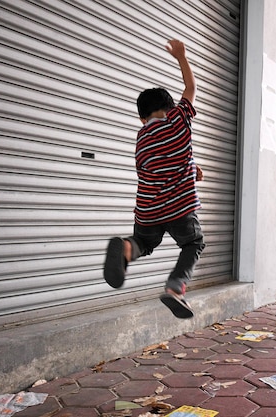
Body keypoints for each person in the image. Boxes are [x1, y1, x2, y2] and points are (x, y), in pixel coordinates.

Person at [103, 39, 205, 319]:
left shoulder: (142, 138)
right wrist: (182, 57)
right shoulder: (179, 120)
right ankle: (175, 288)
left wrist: (191, 167)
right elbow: (191, 88)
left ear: (141, 119)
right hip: (180, 209)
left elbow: (160, 167)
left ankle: (126, 249)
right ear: (170, 108)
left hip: (148, 210)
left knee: (144, 243)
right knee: (193, 244)